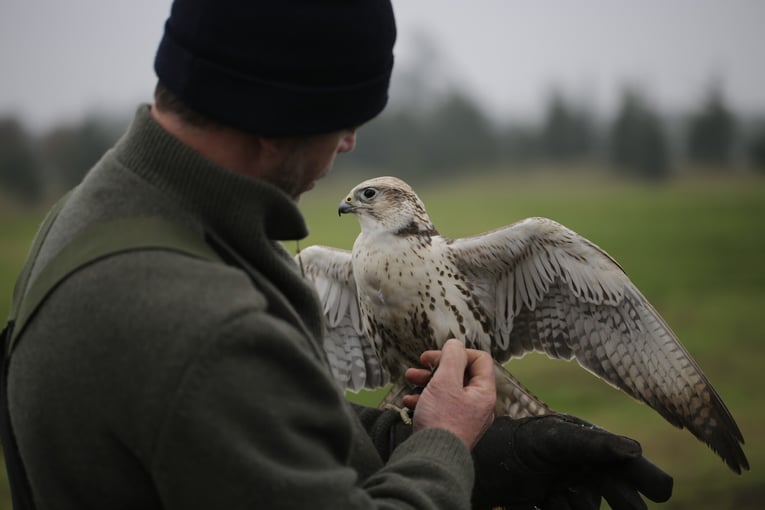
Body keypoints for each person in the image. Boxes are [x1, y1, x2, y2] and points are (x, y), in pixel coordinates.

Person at [2, 1, 673, 508]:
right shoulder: (200, 321)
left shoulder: (91, 219)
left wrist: (496, 452)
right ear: (272, 113)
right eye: (343, 115)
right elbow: (224, 385)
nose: (349, 142)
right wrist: (441, 447)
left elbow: (251, 428)